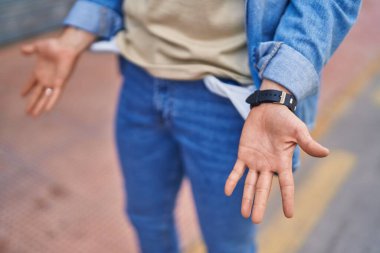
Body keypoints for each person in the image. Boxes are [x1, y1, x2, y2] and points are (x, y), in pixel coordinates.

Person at [20, 0, 361, 252]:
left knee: (228, 244)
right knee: (147, 220)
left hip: (232, 99)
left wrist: (277, 93)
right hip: (139, 80)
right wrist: (76, 34)